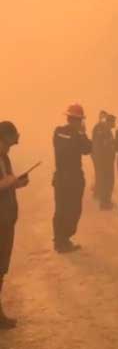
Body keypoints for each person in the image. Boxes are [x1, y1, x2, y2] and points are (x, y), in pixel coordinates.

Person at [0, 122, 29, 329]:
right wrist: (8, 182)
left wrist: (17, 183)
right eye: (9, 141)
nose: (10, 147)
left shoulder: (5, 157)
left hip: (6, 219)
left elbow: (6, 184)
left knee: (1, 269)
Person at [53, 104, 92, 253]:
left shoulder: (58, 132)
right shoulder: (77, 135)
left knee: (61, 210)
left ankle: (59, 240)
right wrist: (82, 134)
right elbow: (88, 149)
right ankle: (63, 240)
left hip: (61, 178)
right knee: (73, 210)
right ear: (78, 120)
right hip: (73, 179)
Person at [92, 111, 116, 210]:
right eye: (113, 122)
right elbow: (100, 146)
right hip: (104, 161)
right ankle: (104, 203)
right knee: (106, 181)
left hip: (106, 161)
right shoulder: (101, 130)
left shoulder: (107, 130)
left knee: (106, 180)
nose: (115, 124)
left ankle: (105, 201)